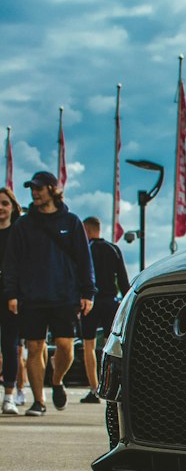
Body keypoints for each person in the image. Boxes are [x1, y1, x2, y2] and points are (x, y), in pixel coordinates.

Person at [3, 172, 95, 416]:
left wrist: (88, 292)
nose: (34, 192)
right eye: (32, 188)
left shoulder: (71, 222)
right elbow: (12, 263)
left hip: (64, 295)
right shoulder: (23, 224)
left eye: (39, 188)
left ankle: (56, 380)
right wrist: (11, 293)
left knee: (66, 348)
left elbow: (85, 260)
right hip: (31, 297)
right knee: (34, 348)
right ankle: (39, 402)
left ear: (52, 190)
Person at [79, 216, 130, 403]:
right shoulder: (114, 249)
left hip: (90, 301)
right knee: (111, 346)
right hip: (110, 301)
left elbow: (81, 275)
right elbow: (123, 280)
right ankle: (112, 387)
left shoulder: (87, 250)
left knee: (89, 345)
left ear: (87, 230)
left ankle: (94, 389)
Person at [0, 187, 22, 414]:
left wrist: (14, 294)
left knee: (10, 346)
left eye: (5, 203)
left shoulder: (18, 232)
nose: (0, 208)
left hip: (10, 297)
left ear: (12, 207)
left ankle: (9, 397)